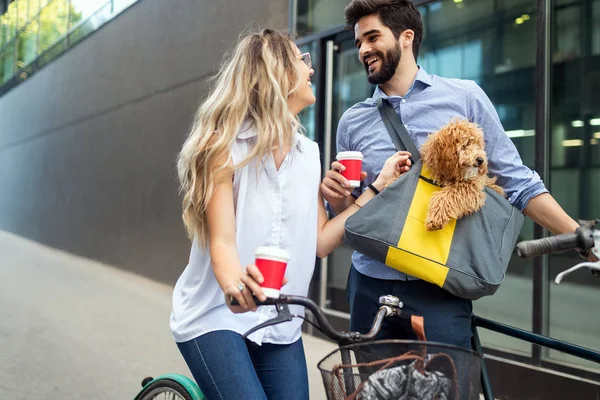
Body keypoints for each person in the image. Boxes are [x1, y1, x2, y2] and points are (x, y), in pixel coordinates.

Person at [320, 0, 597, 350]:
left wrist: (581, 240)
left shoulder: (463, 97)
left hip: (441, 288)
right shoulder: (353, 121)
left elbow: (518, 183)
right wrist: (338, 198)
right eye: (359, 42)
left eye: (373, 37)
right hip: (370, 286)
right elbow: (351, 219)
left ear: (406, 37)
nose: (364, 50)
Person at [170, 28, 409, 400]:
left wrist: (377, 187)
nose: (311, 71)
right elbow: (222, 241)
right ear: (277, 73)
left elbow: (321, 242)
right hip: (217, 315)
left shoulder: (309, 153)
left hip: (281, 323)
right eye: (303, 61)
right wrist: (236, 289)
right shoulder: (222, 146)